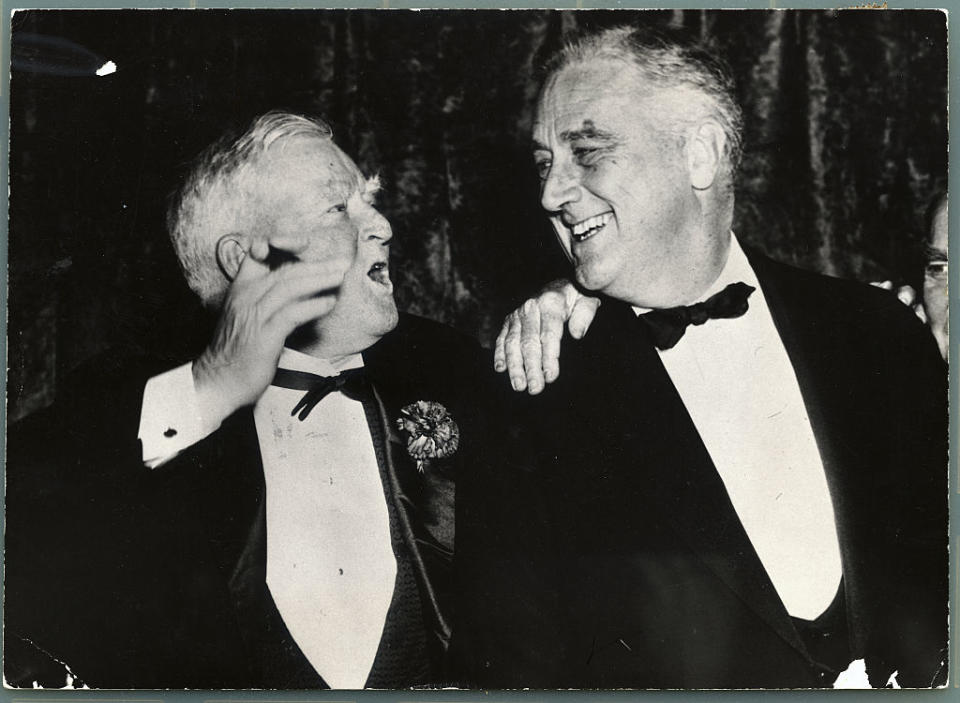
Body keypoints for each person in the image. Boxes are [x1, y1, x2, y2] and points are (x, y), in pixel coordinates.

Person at [456, 25, 947, 689]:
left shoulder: (880, 334)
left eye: (588, 152)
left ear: (701, 155)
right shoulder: (532, 397)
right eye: (545, 163)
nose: (551, 193)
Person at [5, 111, 490, 689]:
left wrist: (579, 305)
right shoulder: (130, 401)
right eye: (340, 209)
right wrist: (214, 384)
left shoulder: (453, 365)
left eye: (371, 203)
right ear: (245, 261)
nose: (382, 225)